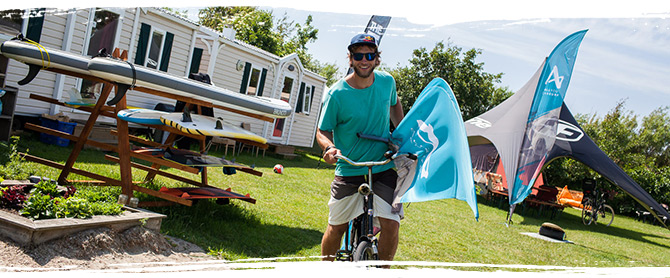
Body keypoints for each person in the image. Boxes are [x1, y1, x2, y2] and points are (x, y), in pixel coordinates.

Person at [316, 33, 404, 261]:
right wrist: (329, 148)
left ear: (376, 58)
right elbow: (322, 130)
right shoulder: (337, 94)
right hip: (349, 168)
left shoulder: (387, 82)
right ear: (351, 59)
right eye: (358, 55)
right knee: (336, 227)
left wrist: (402, 133)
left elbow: (394, 104)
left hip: (382, 167)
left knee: (391, 224)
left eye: (369, 55)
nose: (364, 60)